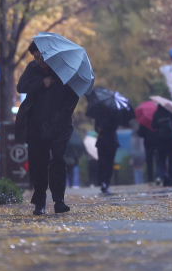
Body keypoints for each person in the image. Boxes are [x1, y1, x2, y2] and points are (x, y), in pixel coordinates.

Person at [16, 41, 80, 215]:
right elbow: (21, 87)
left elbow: (73, 96)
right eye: (36, 57)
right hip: (36, 123)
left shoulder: (64, 69)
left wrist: (62, 115)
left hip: (59, 124)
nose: (39, 61)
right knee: (38, 162)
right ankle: (40, 201)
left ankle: (59, 200)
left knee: (58, 160)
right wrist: (41, 82)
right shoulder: (32, 68)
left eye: (41, 57)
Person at [151, 105, 172, 187]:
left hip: (161, 142)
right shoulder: (171, 113)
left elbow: (153, 125)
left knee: (161, 161)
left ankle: (164, 175)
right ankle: (171, 180)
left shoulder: (156, 114)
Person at [95, 112, 119, 193]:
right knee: (103, 163)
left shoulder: (114, 116)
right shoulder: (99, 116)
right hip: (105, 142)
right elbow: (96, 128)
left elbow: (114, 127)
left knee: (108, 163)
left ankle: (105, 182)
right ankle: (103, 182)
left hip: (110, 142)